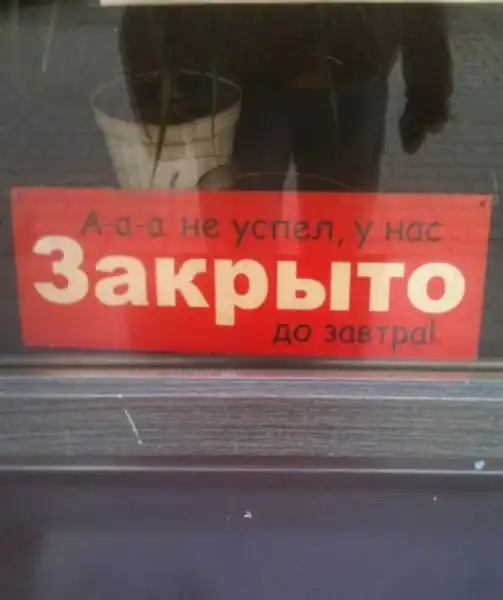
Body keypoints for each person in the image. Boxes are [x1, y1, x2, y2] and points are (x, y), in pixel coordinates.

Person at [120, 4, 452, 192]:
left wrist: (429, 83)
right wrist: (154, 84)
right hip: (252, 76)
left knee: (333, 237)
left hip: (337, 71)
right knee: (243, 237)